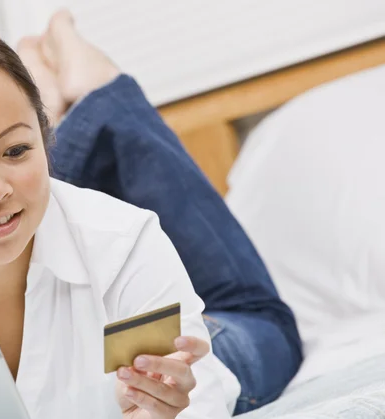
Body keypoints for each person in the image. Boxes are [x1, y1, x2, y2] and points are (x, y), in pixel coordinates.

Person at [0, 10, 301, 417]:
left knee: (267, 328)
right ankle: (50, 93)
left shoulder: (123, 241)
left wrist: (165, 408)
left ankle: (102, 84)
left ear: (44, 141)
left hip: (216, 334)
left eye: (18, 149)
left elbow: (181, 392)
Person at [16, 11, 303, 414]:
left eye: (17, 145)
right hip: (175, 346)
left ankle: (79, 104)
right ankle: (96, 97)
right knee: (259, 317)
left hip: (125, 354)